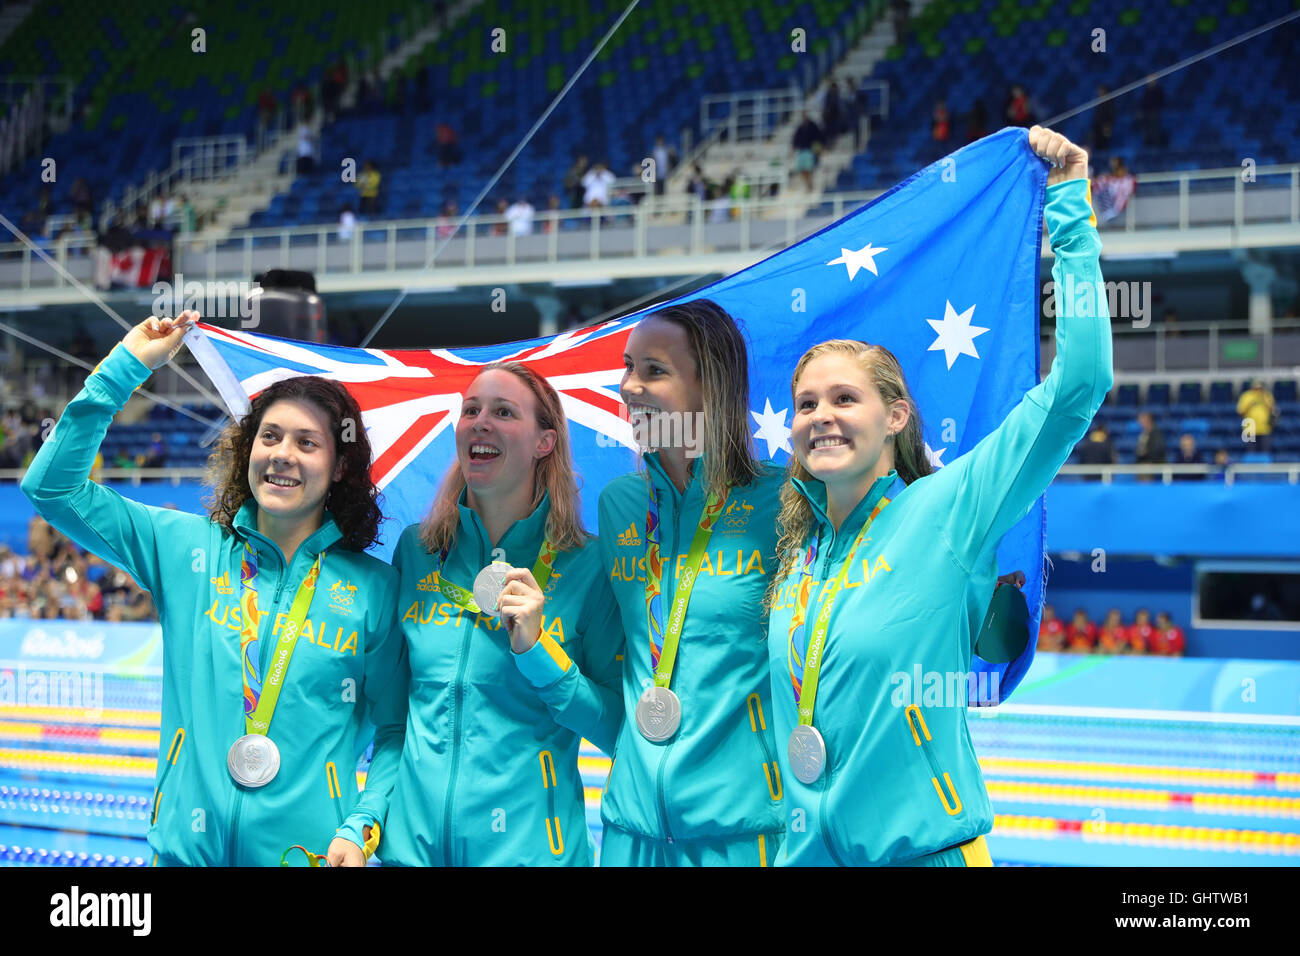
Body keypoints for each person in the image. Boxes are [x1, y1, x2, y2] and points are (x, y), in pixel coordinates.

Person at [764, 126, 1112, 866]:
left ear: (895, 418)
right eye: (805, 404)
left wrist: (1071, 208)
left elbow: (1079, 385)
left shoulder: (949, 511)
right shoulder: (794, 555)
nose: (820, 416)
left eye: (844, 399)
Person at [20, 311, 407, 866]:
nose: (282, 454)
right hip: (183, 855)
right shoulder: (184, 550)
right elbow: (52, 488)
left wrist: (362, 825)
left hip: (307, 857)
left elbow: (395, 731)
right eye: (269, 436)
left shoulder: (373, 591)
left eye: (307, 443)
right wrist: (123, 368)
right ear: (249, 450)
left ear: (340, 466)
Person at [379, 362, 623, 866]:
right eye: (470, 410)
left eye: (503, 412)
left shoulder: (589, 566)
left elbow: (618, 729)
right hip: (410, 854)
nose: (480, 422)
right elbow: (392, 718)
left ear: (544, 442)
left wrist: (540, 654)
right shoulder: (418, 551)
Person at [598, 298, 786, 866]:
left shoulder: (785, 502)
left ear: (712, 388)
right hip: (630, 833)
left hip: (743, 832)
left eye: (654, 370)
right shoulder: (620, 506)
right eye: (629, 367)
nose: (629, 386)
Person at [1237, 379, 1277, 453]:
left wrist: (1264, 400)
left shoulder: (1267, 395)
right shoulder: (1246, 396)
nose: (1258, 389)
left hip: (1265, 428)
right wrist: (1250, 404)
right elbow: (1240, 412)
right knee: (1251, 452)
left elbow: (1273, 410)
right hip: (1249, 428)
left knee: (1265, 452)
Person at [1135, 410, 1166, 480]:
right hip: (1143, 465)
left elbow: (1157, 451)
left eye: (1142, 420)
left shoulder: (1156, 434)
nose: (1140, 422)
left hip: (1153, 466)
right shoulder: (1143, 434)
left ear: (1148, 420)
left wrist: (1150, 463)